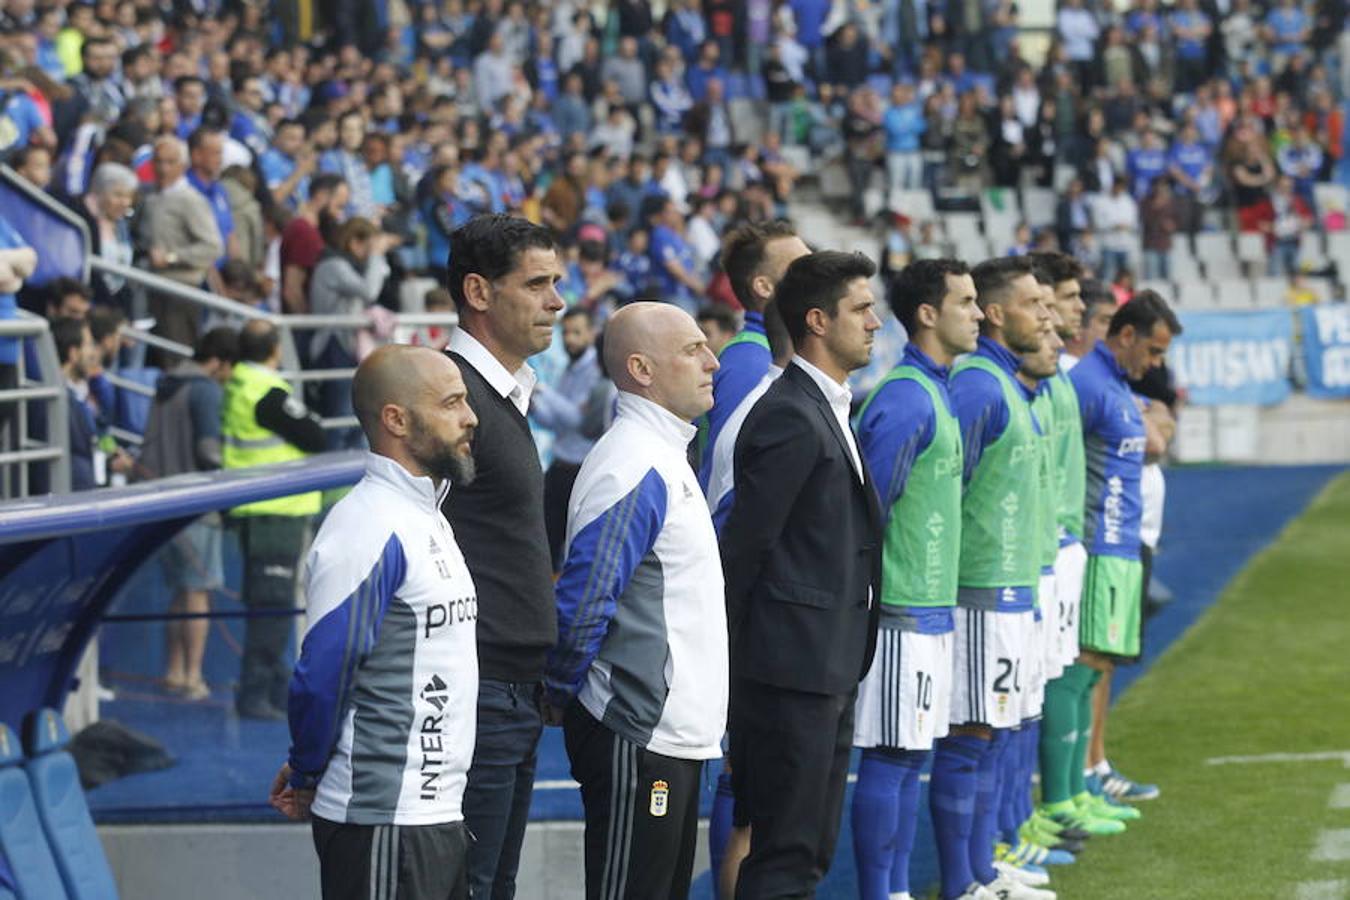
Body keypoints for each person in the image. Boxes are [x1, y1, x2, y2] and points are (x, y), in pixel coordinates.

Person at [269, 344, 480, 900]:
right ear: (396, 420)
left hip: (434, 814)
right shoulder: (366, 526)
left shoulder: (426, 515)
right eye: (451, 403)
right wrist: (306, 770)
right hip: (385, 819)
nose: (470, 417)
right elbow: (323, 673)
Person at [544, 301, 727, 899]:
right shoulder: (634, 462)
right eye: (692, 350)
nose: (713, 361)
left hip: (665, 731)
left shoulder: (662, 454)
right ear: (642, 369)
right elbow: (583, 602)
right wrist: (562, 693)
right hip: (640, 732)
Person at [720, 250, 883, 898]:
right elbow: (745, 549)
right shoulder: (790, 412)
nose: (874, 322)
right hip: (790, 673)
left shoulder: (828, 405)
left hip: (826, 664)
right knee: (786, 854)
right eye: (861, 309)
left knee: (809, 851)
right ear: (817, 320)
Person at [850, 259, 983, 900]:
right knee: (892, 754)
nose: (978, 314)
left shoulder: (935, 390)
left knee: (910, 755)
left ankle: (896, 890)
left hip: (929, 608)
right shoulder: (906, 398)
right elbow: (865, 511)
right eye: (966, 302)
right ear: (927, 314)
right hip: (900, 609)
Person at [441, 214, 565, 899]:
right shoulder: (448, 397)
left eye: (556, 283)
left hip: (514, 688)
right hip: (477, 691)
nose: (557, 301)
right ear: (479, 292)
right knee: (472, 886)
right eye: (537, 284)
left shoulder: (496, 396)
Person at [936, 256, 1055, 900]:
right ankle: (963, 882)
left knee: (994, 732)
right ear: (998, 313)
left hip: (1011, 589)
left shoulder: (1006, 382)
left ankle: (983, 869)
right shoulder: (979, 386)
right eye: (1034, 304)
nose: (1046, 314)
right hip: (977, 590)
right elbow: (945, 487)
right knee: (972, 737)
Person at [699, 220, 810, 900]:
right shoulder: (747, 361)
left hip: (774, 595)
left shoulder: (769, 358)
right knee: (745, 775)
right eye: (800, 265)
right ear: (764, 287)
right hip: (755, 598)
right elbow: (737, 488)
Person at [1068, 291, 1181, 807]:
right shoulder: (1087, 383)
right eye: (1153, 351)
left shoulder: (1114, 383)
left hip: (1120, 545)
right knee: (1084, 668)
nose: (1156, 364)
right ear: (1127, 335)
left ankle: (1090, 775)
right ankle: (1073, 785)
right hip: (1096, 542)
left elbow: (1156, 437)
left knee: (1100, 664)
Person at [223, 319, 326, 720]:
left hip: (262, 510)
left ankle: (274, 686)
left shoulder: (238, 383)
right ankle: (255, 694)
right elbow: (315, 436)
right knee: (273, 606)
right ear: (274, 350)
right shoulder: (265, 391)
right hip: (275, 512)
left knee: (270, 605)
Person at [137, 327, 238, 701]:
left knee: (180, 592)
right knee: (198, 593)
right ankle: (193, 677)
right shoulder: (205, 389)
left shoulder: (165, 385)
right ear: (221, 362)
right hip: (196, 507)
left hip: (160, 502)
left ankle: (174, 671)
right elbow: (209, 451)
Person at [529, 306, 602, 572]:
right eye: (566, 333)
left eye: (577, 332)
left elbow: (577, 421)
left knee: (574, 547)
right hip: (560, 466)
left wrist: (542, 390)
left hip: (581, 470)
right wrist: (532, 403)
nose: (570, 339)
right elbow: (554, 422)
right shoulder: (569, 369)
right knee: (548, 542)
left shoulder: (596, 371)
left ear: (591, 333)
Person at [139, 135, 224, 351]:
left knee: (176, 354)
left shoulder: (191, 200)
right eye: (158, 161)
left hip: (181, 290)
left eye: (170, 162)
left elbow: (212, 247)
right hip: (151, 287)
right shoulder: (148, 195)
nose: (163, 168)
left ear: (183, 165)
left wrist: (172, 257)